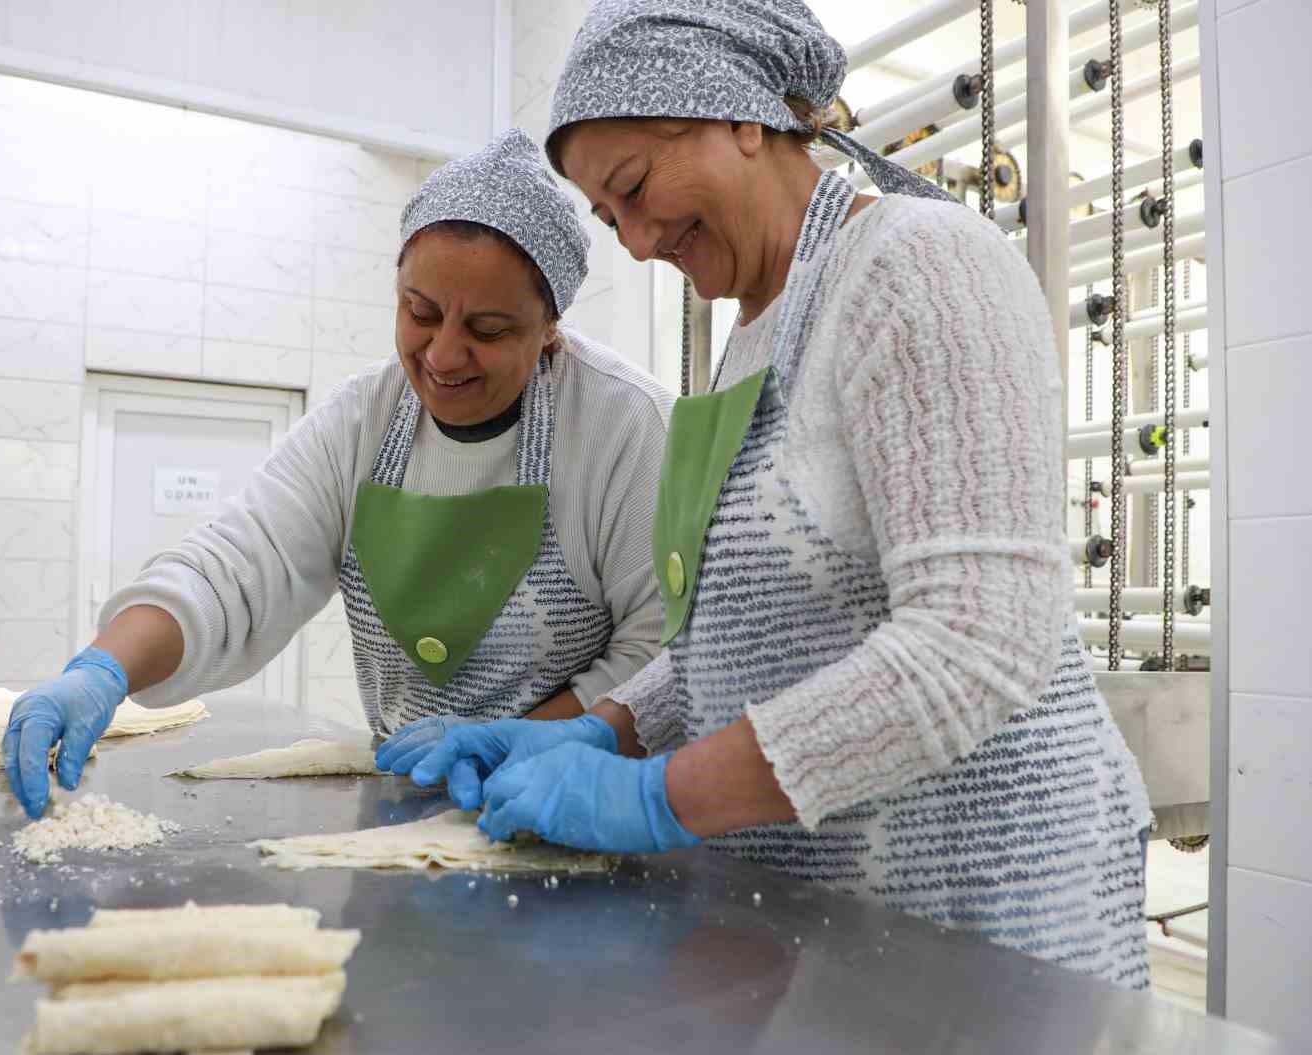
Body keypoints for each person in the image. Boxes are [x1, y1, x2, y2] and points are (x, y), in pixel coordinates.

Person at [400, 0, 1152, 988]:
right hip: (834, 930)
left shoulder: (917, 264)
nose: (637, 241)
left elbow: (977, 642)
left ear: (738, 115)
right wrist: (604, 727)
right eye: (609, 218)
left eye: (634, 187)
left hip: (988, 923)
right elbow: (742, 640)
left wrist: (660, 795)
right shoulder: (752, 336)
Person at [0, 130, 672, 821]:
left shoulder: (624, 426)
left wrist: (526, 743)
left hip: (583, 808)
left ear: (550, 325)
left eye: (490, 330)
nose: (444, 355)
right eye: (420, 312)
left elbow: (663, 649)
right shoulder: (363, 421)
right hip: (406, 805)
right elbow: (234, 568)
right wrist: (103, 669)